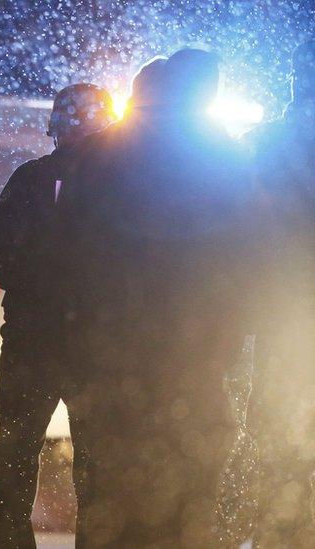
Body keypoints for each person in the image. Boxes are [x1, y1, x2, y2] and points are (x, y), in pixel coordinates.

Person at [51, 49, 253, 547]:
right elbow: (241, 248)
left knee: (109, 483)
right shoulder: (220, 156)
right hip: (190, 349)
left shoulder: (101, 155)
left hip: (114, 346)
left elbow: (70, 247)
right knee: (188, 485)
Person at [0, 83, 116, 548]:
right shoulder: (125, 185)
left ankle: (8, 542)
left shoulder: (31, 178)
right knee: (96, 462)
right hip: (96, 342)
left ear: (56, 127)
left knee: (16, 452)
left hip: (31, 339)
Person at [245, 40, 315, 547]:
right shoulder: (268, 142)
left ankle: (280, 527)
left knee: (273, 431)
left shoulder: (263, 141)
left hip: (275, 308)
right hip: (285, 308)